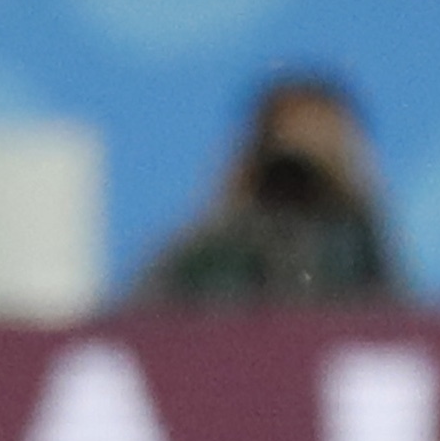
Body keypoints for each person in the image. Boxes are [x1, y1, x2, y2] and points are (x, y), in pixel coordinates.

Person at [134, 70, 393, 305]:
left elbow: (393, 334)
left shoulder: (360, 249)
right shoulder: (209, 249)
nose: (296, 177)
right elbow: (141, 333)